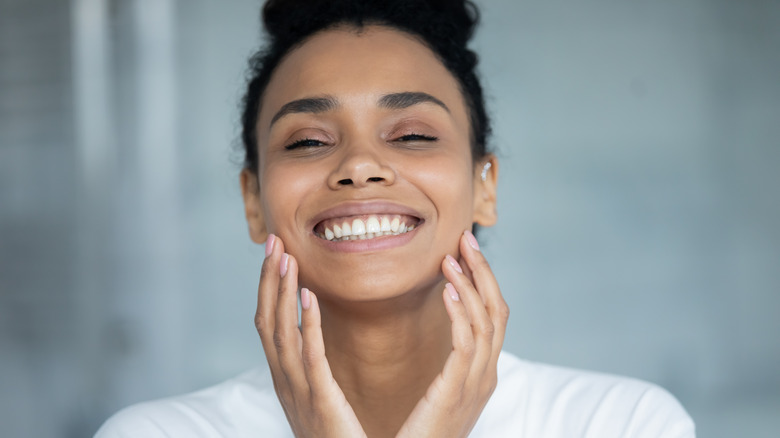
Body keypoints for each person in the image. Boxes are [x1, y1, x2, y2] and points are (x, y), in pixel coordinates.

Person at [96, 0, 696, 436]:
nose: (360, 165)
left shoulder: (619, 423)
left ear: (484, 185)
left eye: (411, 134)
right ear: (254, 201)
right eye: (306, 142)